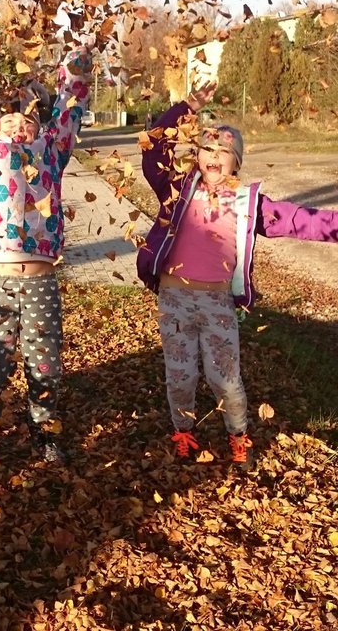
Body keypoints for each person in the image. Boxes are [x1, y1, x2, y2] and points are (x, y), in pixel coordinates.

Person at [138, 85, 338, 467]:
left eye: (223, 151)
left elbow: (300, 221)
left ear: (236, 162)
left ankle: (237, 435)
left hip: (217, 302)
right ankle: (183, 433)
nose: (214, 156)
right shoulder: (176, 189)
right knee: (179, 377)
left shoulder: (247, 203)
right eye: (207, 149)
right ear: (196, 156)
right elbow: (152, 148)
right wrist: (187, 108)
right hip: (175, 298)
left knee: (225, 378)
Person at [0, 48, 92, 464]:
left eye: (28, 118)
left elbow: (70, 108)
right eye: (10, 117)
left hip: (39, 278)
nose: (19, 125)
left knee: (44, 363)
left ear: (39, 124)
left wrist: (76, 65)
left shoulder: (51, 150)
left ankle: (43, 429)